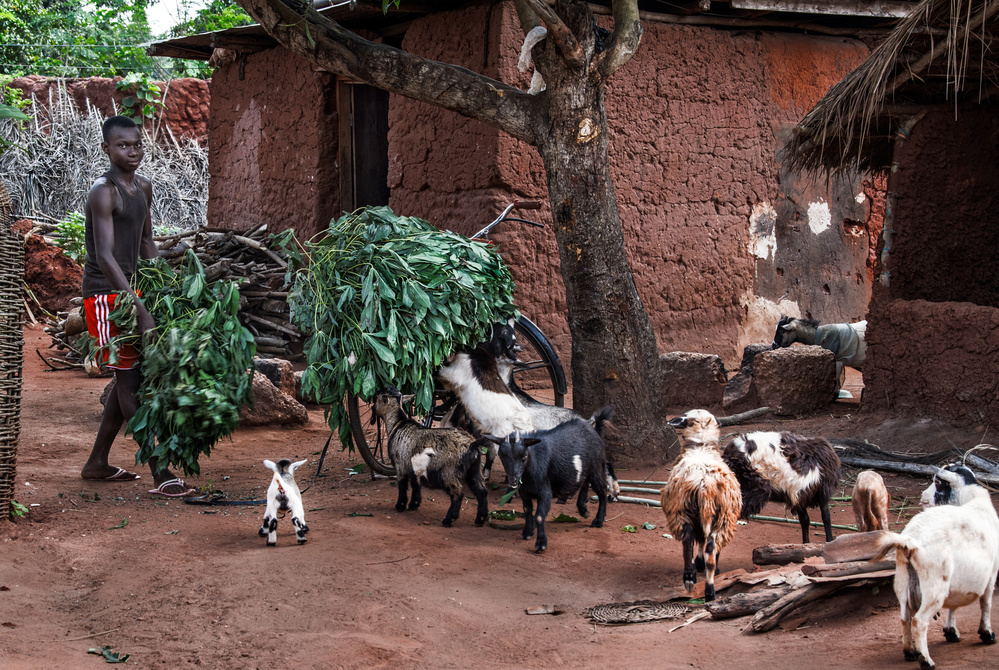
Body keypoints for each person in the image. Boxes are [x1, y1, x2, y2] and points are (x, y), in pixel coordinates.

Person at [79, 115, 194, 497]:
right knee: (130, 381)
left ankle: (97, 463)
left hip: (134, 290)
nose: (133, 152)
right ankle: (160, 471)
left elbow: (146, 244)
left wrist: (168, 290)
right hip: (105, 295)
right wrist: (138, 309)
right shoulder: (103, 191)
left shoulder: (142, 187)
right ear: (106, 149)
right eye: (123, 145)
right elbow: (106, 256)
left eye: (137, 144)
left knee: (128, 379)